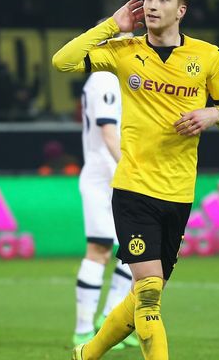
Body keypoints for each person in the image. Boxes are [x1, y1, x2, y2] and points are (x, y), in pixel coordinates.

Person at [53, 0, 219, 360]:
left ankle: (85, 354)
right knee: (151, 297)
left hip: (179, 192)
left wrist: (213, 115)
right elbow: (62, 62)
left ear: (181, 10)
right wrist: (111, 25)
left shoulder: (207, 57)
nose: (153, 6)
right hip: (134, 189)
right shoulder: (125, 53)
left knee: (142, 293)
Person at [73, 71, 138, 351]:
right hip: (105, 178)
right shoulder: (105, 79)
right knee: (99, 250)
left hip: (116, 176)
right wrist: (132, 169)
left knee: (136, 247)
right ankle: (83, 330)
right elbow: (108, 131)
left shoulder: (122, 77)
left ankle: (111, 318)